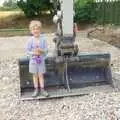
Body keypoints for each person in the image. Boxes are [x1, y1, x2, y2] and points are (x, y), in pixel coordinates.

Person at [26, 20, 49, 97]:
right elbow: (27, 51)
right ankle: (36, 89)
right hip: (33, 61)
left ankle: (42, 89)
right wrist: (33, 53)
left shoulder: (44, 39)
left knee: (41, 75)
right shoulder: (30, 40)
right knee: (35, 75)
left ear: (40, 30)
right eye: (34, 29)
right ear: (31, 31)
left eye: (37, 29)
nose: (36, 30)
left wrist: (42, 51)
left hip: (41, 61)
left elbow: (46, 50)